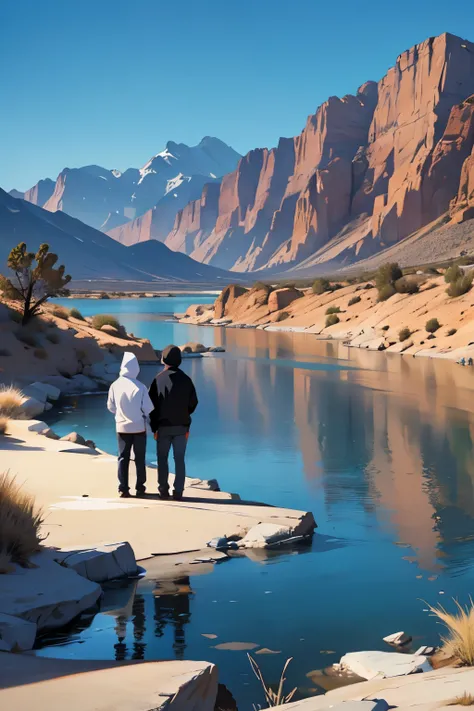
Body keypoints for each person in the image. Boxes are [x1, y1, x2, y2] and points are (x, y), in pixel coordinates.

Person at [148, 344, 198, 500]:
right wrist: (184, 416)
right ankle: (178, 491)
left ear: (164, 359)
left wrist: (154, 427)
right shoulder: (187, 380)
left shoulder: (157, 380)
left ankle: (163, 490)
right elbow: (193, 403)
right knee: (179, 459)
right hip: (181, 427)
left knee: (162, 459)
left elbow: (151, 406)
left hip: (162, 427)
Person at [107, 352, 154, 498]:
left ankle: (123, 488)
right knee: (140, 458)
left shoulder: (115, 385)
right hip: (139, 427)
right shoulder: (140, 387)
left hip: (121, 427)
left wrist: (119, 414)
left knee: (123, 457)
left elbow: (110, 406)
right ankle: (140, 488)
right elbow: (148, 408)